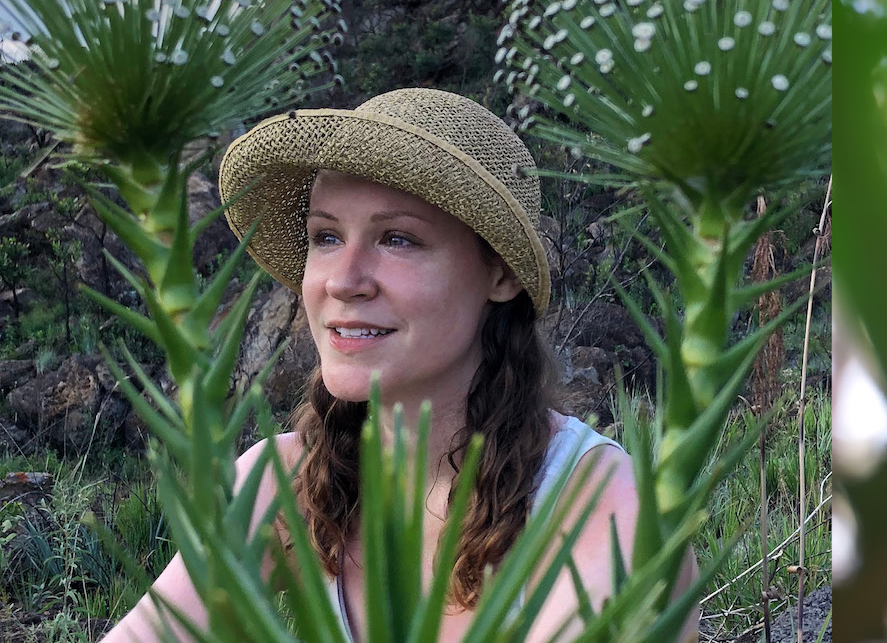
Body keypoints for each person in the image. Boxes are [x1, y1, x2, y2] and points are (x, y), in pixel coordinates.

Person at [102, 88, 699, 642]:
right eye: (326, 237)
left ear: (501, 274)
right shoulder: (283, 484)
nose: (343, 280)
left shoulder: (608, 507)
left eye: (398, 239)